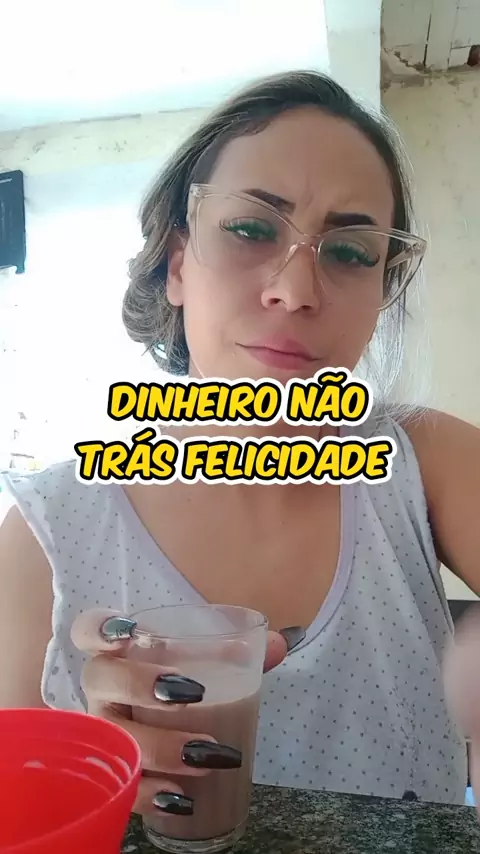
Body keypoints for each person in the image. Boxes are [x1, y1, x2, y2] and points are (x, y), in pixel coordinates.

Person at [1, 69, 480, 820]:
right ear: (177, 264)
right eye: (251, 230)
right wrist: (83, 782)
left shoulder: (424, 463)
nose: (297, 290)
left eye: (351, 252)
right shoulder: (49, 533)